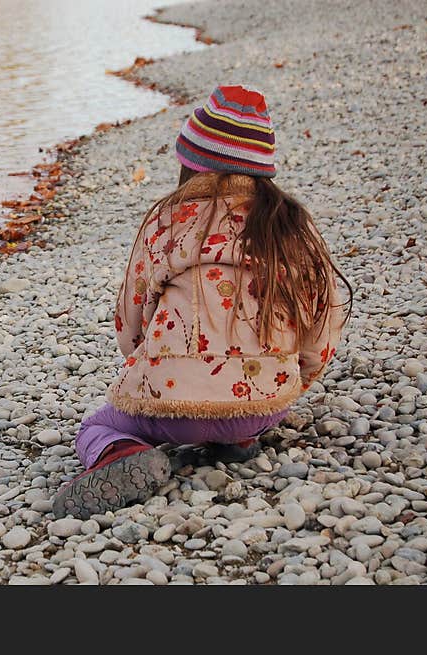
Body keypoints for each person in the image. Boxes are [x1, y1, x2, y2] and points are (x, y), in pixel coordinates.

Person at [53, 85, 353, 520]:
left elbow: (131, 325)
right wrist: (293, 386)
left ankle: (118, 452)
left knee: (97, 424)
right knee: (251, 390)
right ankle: (234, 440)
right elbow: (320, 329)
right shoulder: (291, 228)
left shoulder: (168, 222)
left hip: (171, 410)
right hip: (262, 407)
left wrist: (150, 368)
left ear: (190, 164)